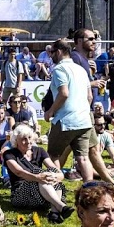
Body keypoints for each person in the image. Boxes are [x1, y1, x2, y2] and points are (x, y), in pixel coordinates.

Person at [44, 39, 95, 182]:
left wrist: (50, 111)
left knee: (52, 156)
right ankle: (89, 191)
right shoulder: (81, 70)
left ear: (59, 52)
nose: (50, 56)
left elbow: (64, 93)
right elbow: (89, 96)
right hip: (84, 121)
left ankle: (57, 190)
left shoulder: (59, 69)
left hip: (65, 121)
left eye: (52, 52)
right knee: (83, 158)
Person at [3, 124, 71, 223]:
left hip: (43, 194)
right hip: (21, 195)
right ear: (16, 141)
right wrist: (38, 177)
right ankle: (61, 206)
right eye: (23, 139)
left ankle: (54, 212)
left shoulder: (40, 151)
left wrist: (56, 176)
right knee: (39, 172)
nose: (28, 141)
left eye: (29, 137)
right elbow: (19, 172)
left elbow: (55, 170)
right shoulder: (9, 154)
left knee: (50, 175)